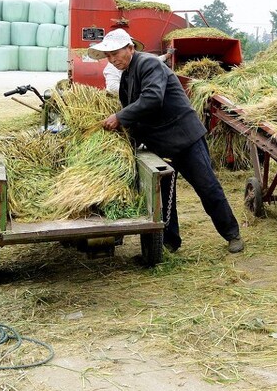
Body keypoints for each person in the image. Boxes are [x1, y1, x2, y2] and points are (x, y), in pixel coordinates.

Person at [91, 28, 244, 255]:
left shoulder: (148, 65)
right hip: (159, 142)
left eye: (115, 53)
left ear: (130, 48)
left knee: (207, 187)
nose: (112, 59)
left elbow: (152, 98)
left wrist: (119, 118)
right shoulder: (126, 77)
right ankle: (170, 242)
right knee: (163, 196)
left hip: (184, 137)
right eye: (108, 56)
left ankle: (232, 234)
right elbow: (135, 112)